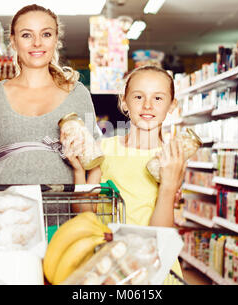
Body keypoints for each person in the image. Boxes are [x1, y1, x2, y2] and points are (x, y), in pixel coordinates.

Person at [0, 4, 100, 187]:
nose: (37, 43)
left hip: (65, 211)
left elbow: (94, 161)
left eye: (46, 34)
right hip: (8, 210)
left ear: (56, 40)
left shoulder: (77, 94)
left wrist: (89, 207)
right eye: (26, 35)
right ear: (13, 42)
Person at [65, 65, 187, 279]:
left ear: (172, 105)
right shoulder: (104, 149)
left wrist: (168, 187)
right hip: (110, 263)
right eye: (138, 96)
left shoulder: (172, 157)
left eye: (158, 98)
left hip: (154, 265)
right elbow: (85, 213)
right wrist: (77, 171)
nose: (148, 105)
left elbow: (161, 235)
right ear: (124, 101)